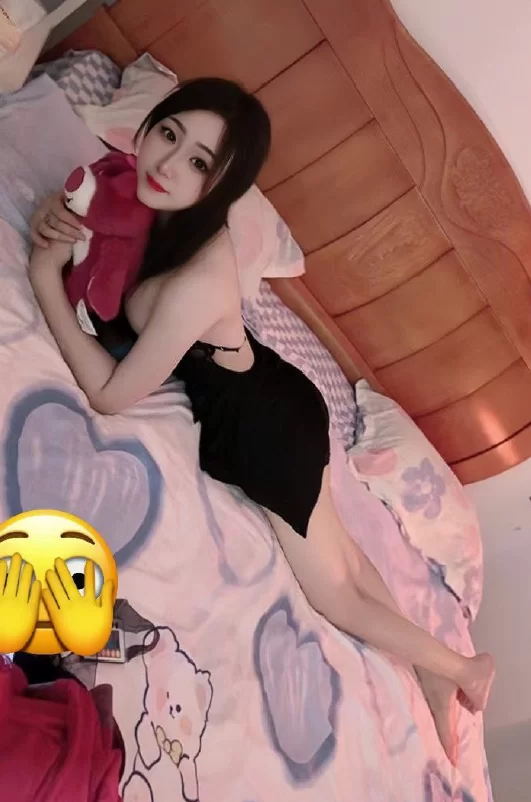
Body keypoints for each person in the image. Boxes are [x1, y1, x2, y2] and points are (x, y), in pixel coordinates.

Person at [28, 77, 494, 764]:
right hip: (272, 388)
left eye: (198, 162)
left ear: (220, 184)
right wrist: (59, 221)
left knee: (334, 591)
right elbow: (93, 224)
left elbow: (110, 394)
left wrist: (44, 278)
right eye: (168, 134)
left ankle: (464, 671)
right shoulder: (146, 195)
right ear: (149, 125)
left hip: (260, 429)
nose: (167, 163)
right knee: (341, 549)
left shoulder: (198, 279)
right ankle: (432, 667)